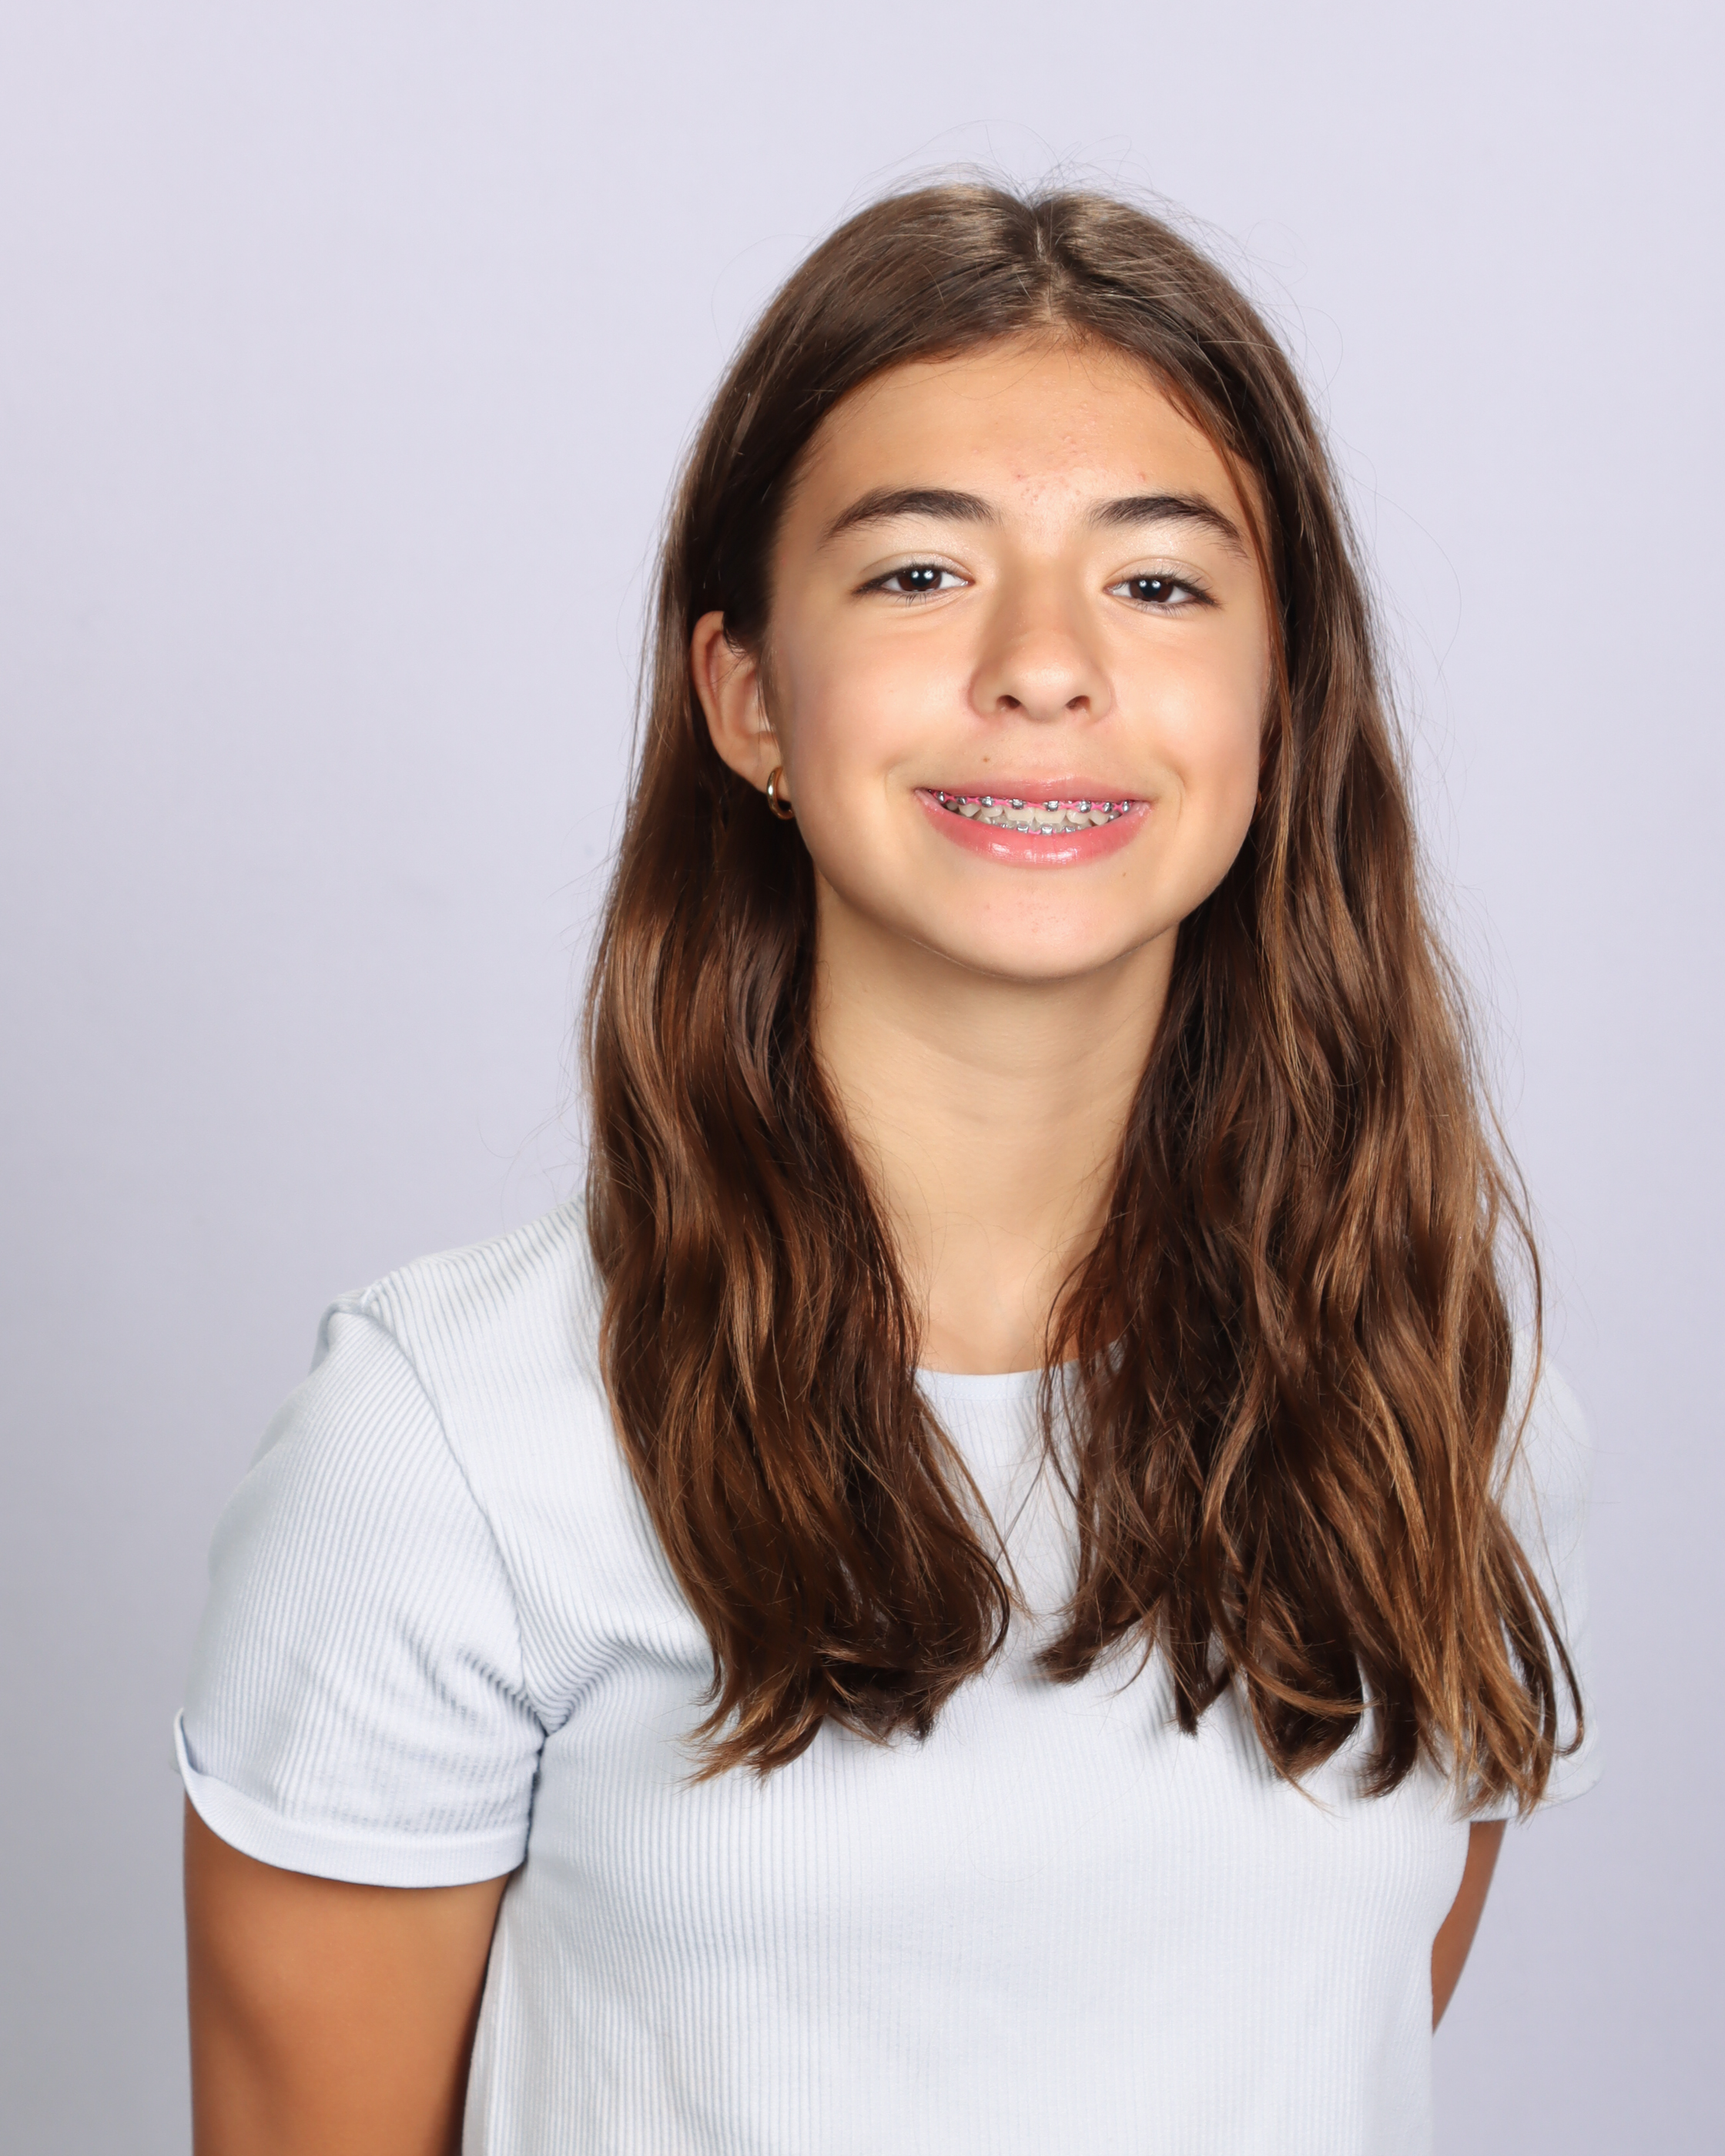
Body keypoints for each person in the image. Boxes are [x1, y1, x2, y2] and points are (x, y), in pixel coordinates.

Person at [179, 182, 1597, 2155]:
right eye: (921, 572)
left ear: (1282, 707)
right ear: (750, 697)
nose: (1043, 665)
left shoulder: (1439, 1398)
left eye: (1159, 583)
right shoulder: (440, 1449)